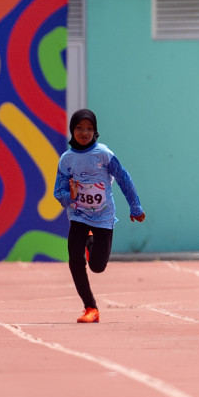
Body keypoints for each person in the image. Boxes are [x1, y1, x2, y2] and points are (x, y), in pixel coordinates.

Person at [53, 108, 144, 323]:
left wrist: (135, 206)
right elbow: (59, 193)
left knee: (97, 266)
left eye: (89, 129)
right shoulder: (67, 159)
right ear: (72, 130)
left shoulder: (103, 154)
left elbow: (123, 177)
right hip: (78, 215)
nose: (84, 133)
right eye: (79, 128)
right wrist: (71, 196)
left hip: (103, 217)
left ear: (95, 132)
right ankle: (90, 308)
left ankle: (91, 238)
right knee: (75, 261)